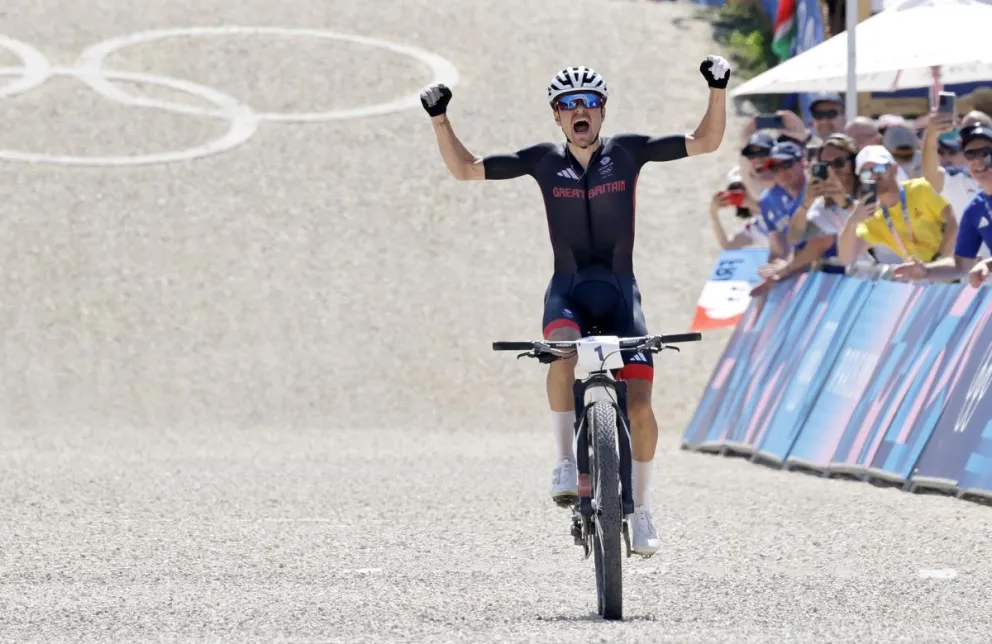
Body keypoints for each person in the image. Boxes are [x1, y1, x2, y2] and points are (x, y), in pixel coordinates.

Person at [420, 56, 731, 557]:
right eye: (569, 105)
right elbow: (465, 170)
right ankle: (565, 461)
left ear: (602, 111)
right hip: (568, 288)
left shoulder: (629, 153)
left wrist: (717, 87)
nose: (579, 111)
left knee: (642, 405)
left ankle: (644, 508)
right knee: (561, 347)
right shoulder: (543, 160)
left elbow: (707, 142)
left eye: (588, 103)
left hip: (620, 290)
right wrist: (440, 119)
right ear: (556, 116)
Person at [894, 123, 992, 286]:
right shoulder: (975, 208)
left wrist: (987, 264)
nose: (978, 161)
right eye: (970, 154)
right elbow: (961, 264)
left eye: (986, 153)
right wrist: (926, 270)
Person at [762, 134, 862, 285]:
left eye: (839, 163)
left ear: (854, 163)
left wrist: (845, 202)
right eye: (825, 165)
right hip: (860, 277)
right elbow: (795, 237)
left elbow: (872, 224)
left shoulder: (871, 188)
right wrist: (806, 204)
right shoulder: (825, 202)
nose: (832, 170)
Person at [837, 145, 957, 271]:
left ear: (894, 168)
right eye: (866, 173)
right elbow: (846, 258)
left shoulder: (921, 188)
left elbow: (954, 222)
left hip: (955, 268)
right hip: (925, 278)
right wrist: (853, 220)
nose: (874, 176)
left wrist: (937, 263)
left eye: (879, 168)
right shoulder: (873, 216)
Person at [708, 167, 764, 250]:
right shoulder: (755, 228)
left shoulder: (779, 200)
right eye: (735, 190)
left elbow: (777, 215)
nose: (741, 193)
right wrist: (713, 214)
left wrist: (751, 204)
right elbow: (727, 246)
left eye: (744, 187)